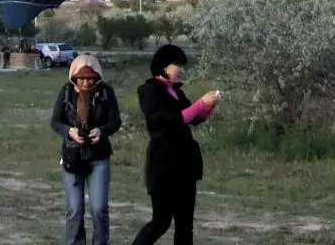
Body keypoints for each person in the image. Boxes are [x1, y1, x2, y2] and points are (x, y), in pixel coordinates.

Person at [129, 44, 220, 245]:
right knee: (161, 221)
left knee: (185, 223)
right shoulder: (151, 91)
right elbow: (169, 120)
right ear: (163, 67)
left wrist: (208, 106)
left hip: (184, 162)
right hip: (163, 162)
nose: (181, 70)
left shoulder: (176, 93)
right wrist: (200, 103)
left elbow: (193, 118)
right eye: (176, 64)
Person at [50, 53, 121, 245]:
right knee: (74, 210)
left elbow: (116, 121)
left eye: (90, 78)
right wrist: (70, 131)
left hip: (99, 157)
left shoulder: (106, 92)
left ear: (97, 76)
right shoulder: (66, 92)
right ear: (74, 76)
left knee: (99, 209)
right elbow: (55, 122)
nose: (86, 83)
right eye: (82, 78)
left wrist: (102, 131)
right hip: (72, 157)